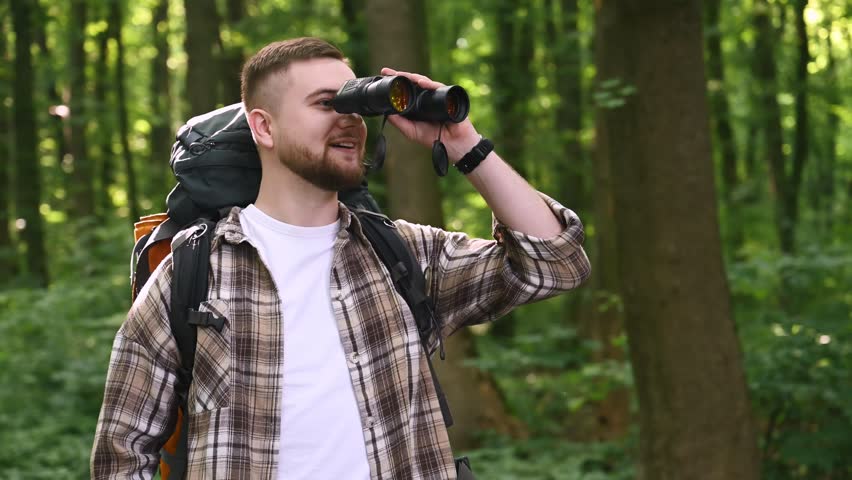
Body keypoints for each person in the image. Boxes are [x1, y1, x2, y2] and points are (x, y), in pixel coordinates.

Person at [91, 37, 591, 479]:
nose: (350, 119)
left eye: (355, 104)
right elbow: (121, 453)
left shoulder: (401, 254)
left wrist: (464, 144)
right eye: (326, 103)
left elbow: (555, 262)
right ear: (263, 127)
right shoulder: (192, 272)